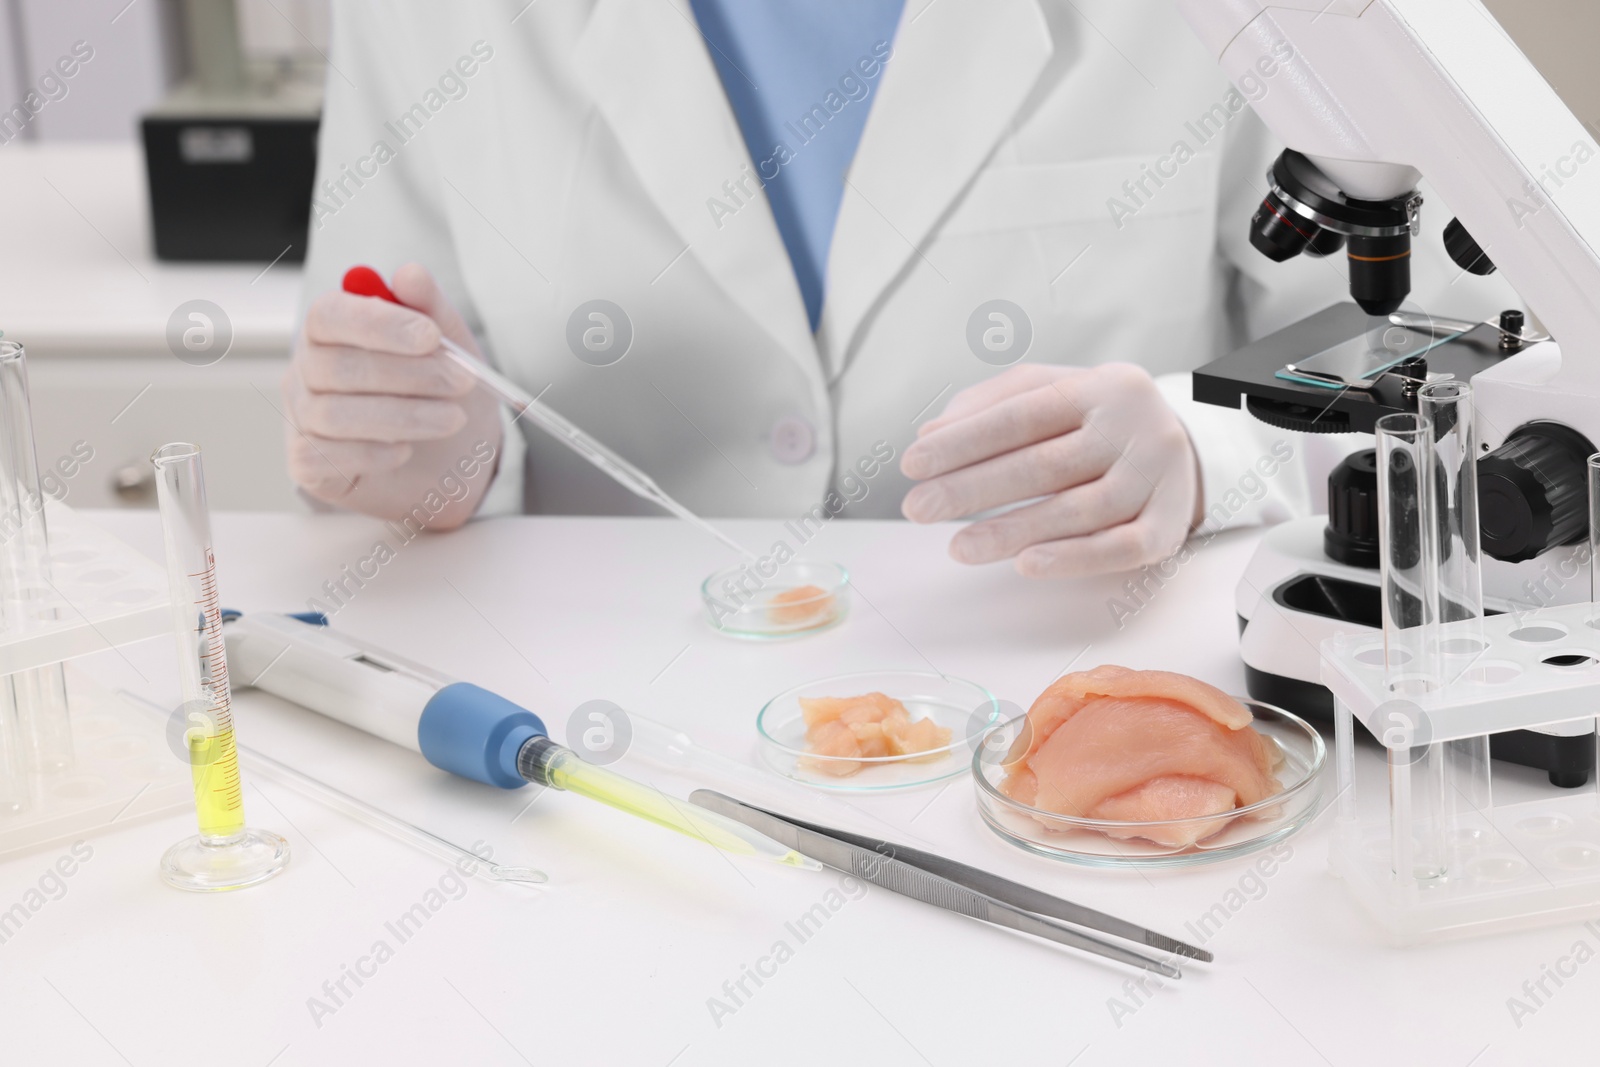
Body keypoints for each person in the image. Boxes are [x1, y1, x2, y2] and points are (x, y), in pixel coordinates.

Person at [284, 0, 1512, 576]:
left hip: (1082, 724)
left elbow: (1479, 349)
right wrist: (426, 458)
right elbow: (409, 402)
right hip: (598, 753)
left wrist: (1198, 449)